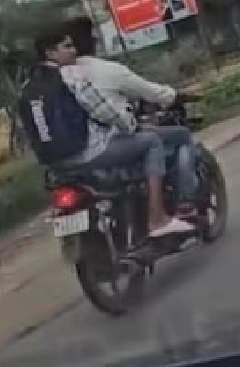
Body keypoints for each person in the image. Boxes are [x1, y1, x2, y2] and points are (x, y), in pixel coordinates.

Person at [29, 26, 193, 238]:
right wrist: (130, 126)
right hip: (89, 153)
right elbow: (105, 111)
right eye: (67, 47)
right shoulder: (71, 76)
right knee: (151, 141)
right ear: (50, 53)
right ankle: (158, 218)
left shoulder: (30, 86)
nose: (73, 51)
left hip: (56, 165)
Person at [61, 17, 202, 217]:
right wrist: (175, 96)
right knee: (179, 136)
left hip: (67, 155)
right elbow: (151, 94)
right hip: (106, 144)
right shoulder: (105, 70)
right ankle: (183, 204)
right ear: (91, 41)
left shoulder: (55, 76)